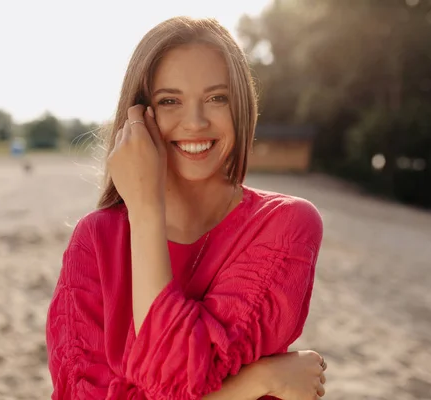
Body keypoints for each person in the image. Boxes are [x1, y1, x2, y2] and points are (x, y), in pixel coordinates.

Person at [46, 16, 326, 400]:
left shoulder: (284, 224)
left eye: (216, 98)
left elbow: (177, 379)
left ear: (240, 106)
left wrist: (145, 213)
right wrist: (256, 382)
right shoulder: (95, 239)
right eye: (169, 101)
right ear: (140, 116)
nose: (195, 122)